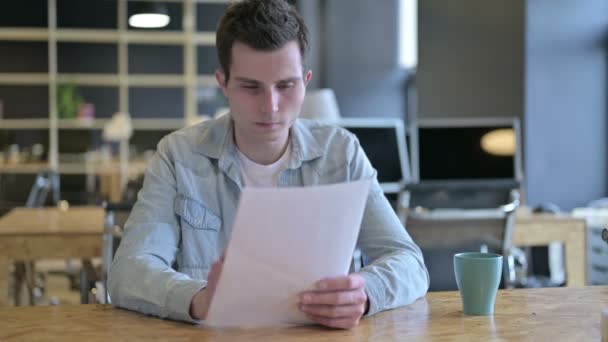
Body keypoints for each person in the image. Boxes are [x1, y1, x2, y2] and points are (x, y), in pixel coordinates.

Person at [108, 0, 429, 330]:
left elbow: (409, 262)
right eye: (251, 87)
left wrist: (365, 295)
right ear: (223, 83)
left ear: (305, 81)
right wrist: (198, 298)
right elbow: (127, 271)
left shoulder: (340, 153)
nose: (271, 107)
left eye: (286, 85)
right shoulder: (178, 155)